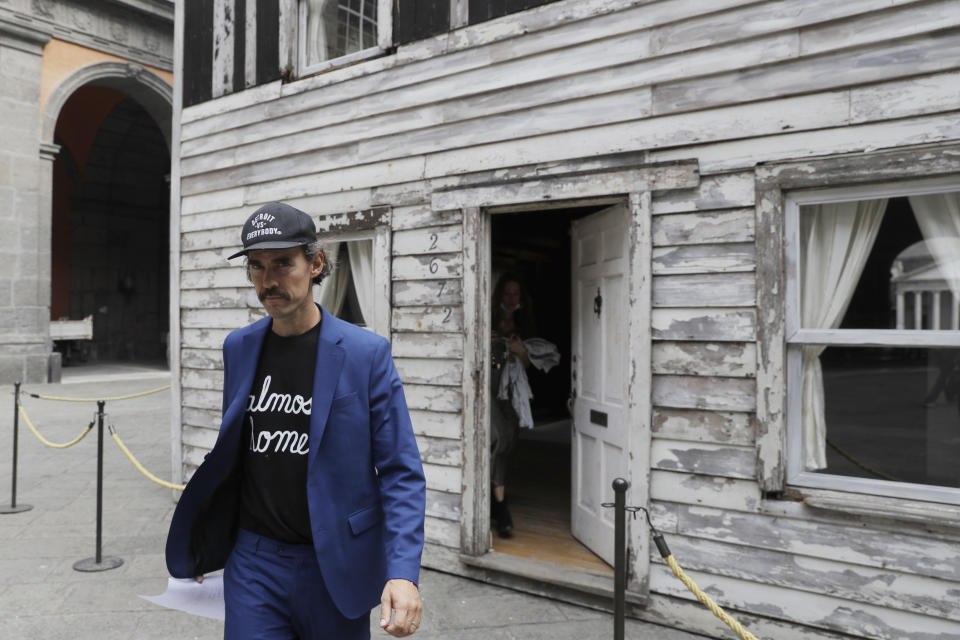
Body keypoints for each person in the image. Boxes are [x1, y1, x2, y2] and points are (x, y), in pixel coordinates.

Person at [165, 202, 426, 640]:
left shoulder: (365, 353)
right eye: (257, 267)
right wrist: (206, 538)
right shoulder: (239, 347)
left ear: (315, 263)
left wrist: (402, 572)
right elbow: (233, 455)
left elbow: (401, 470)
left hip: (335, 563)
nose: (269, 281)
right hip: (254, 562)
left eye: (283, 263)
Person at [489, 273, 536, 538]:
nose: (511, 298)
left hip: (514, 393)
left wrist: (521, 351)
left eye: (515, 294)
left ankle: (497, 500)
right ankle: (500, 505)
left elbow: (533, 363)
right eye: (507, 293)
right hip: (490, 390)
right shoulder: (489, 316)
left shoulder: (526, 322)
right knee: (498, 440)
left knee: (508, 443)